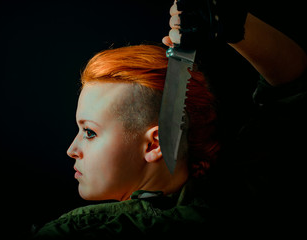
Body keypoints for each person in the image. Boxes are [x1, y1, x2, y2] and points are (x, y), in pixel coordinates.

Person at [32, 0, 307, 238]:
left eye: (89, 132)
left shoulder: (79, 232)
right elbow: (292, 87)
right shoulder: (243, 196)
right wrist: (231, 21)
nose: (72, 150)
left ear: (155, 144)